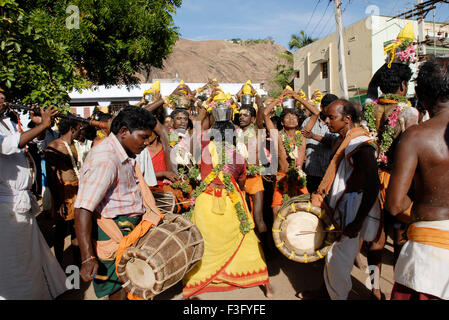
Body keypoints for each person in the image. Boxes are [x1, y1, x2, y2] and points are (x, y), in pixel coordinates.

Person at [182, 106, 273, 298]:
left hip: (206, 202)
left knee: (204, 241)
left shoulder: (205, 150)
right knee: (245, 239)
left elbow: (194, 138)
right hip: (231, 202)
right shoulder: (239, 157)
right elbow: (240, 183)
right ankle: (260, 279)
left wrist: (203, 110)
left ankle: (200, 279)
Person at [74, 106, 162, 300]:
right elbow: (82, 208)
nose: (147, 143)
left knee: (129, 286)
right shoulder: (106, 159)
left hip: (127, 231)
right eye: (143, 137)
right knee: (118, 291)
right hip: (113, 233)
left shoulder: (123, 152)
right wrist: (88, 257)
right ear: (123, 132)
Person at [305, 99, 381, 300]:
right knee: (332, 257)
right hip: (343, 207)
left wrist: (357, 221)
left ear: (347, 119)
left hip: (352, 210)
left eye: (331, 117)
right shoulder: (345, 140)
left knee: (337, 260)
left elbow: (373, 185)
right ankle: (328, 294)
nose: (327, 121)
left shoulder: (360, 145)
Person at [386, 58, 449, 300]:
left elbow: (394, 204)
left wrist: (420, 216)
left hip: (427, 259)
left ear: (420, 95)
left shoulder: (416, 137)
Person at [0, 90, 67, 299]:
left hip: (21, 201)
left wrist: (40, 128)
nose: (3, 98)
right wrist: (43, 125)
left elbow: (26, 145)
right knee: (15, 260)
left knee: (30, 257)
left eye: (3, 95)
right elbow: (7, 146)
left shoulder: (7, 122)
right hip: (6, 206)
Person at [362, 62, 419, 299]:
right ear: (403, 85)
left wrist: (384, 70)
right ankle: (400, 289)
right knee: (400, 240)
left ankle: (374, 289)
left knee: (375, 240)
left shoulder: (369, 109)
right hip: (399, 183)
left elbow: (370, 90)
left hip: (372, 181)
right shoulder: (409, 112)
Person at [263, 88, 319, 218]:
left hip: (300, 179)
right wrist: (279, 98)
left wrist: (297, 97)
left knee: (306, 210)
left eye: (294, 116)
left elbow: (315, 113)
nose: (292, 119)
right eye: (288, 117)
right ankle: (277, 235)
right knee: (276, 210)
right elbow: (265, 114)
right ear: (282, 122)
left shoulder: (303, 135)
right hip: (283, 177)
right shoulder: (277, 135)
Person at [45, 118, 82, 266]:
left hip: (76, 190)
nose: (80, 132)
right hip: (62, 192)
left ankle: (77, 263)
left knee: (76, 228)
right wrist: (58, 198)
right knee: (61, 230)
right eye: (79, 128)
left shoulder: (74, 145)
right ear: (72, 129)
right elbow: (51, 175)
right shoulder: (54, 146)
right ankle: (59, 263)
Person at [301, 93, 340, 193]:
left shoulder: (337, 123)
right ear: (322, 107)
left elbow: (335, 142)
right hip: (311, 171)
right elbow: (300, 140)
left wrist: (313, 136)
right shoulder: (308, 122)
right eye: (329, 108)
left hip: (328, 173)